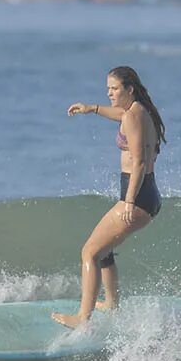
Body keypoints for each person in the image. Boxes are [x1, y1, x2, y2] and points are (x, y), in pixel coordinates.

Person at [52, 65, 166, 329]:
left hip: (137, 197)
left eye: (114, 89)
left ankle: (83, 318)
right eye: (108, 89)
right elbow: (120, 114)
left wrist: (128, 201)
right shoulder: (138, 110)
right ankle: (112, 303)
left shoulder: (133, 116)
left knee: (89, 252)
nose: (110, 93)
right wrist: (91, 108)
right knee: (104, 251)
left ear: (129, 89)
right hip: (147, 194)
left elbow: (138, 162)